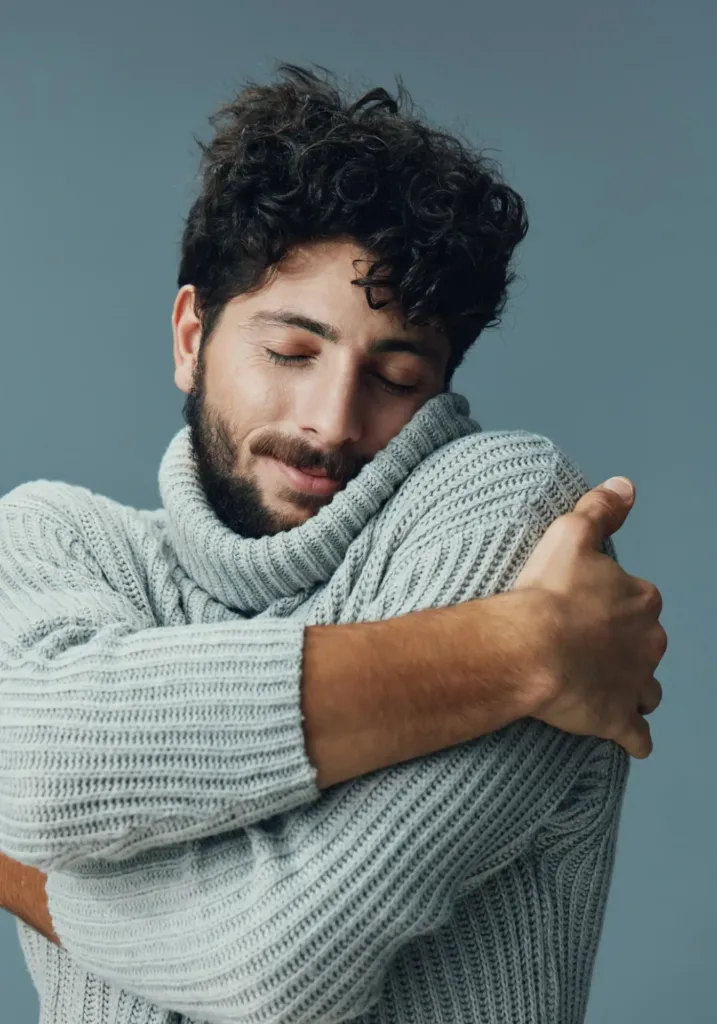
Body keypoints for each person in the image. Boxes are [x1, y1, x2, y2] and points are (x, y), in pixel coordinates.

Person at [0, 64, 665, 1024]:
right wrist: (517, 649)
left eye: (394, 375)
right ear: (192, 336)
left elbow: (273, 961)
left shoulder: (513, 524)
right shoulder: (56, 542)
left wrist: (26, 871)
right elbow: (41, 762)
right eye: (290, 352)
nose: (331, 421)